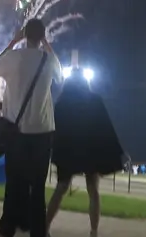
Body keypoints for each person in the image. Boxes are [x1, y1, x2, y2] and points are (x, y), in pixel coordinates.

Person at [0, 19, 62, 237]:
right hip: (42, 132)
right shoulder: (48, 60)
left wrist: (14, 40)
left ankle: (7, 229)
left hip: (17, 132)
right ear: (42, 37)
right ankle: (37, 232)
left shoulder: (15, 58)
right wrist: (46, 44)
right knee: (38, 187)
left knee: (14, 184)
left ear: (24, 34)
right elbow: (61, 75)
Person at [46, 70, 125, 237]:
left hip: (68, 151)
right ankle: (93, 231)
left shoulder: (62, 103)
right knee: (93, 191)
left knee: (60, 189)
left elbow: (56, 129)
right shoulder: (94, 100)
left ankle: (44, 228)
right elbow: (105, 127)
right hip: (90, 151)